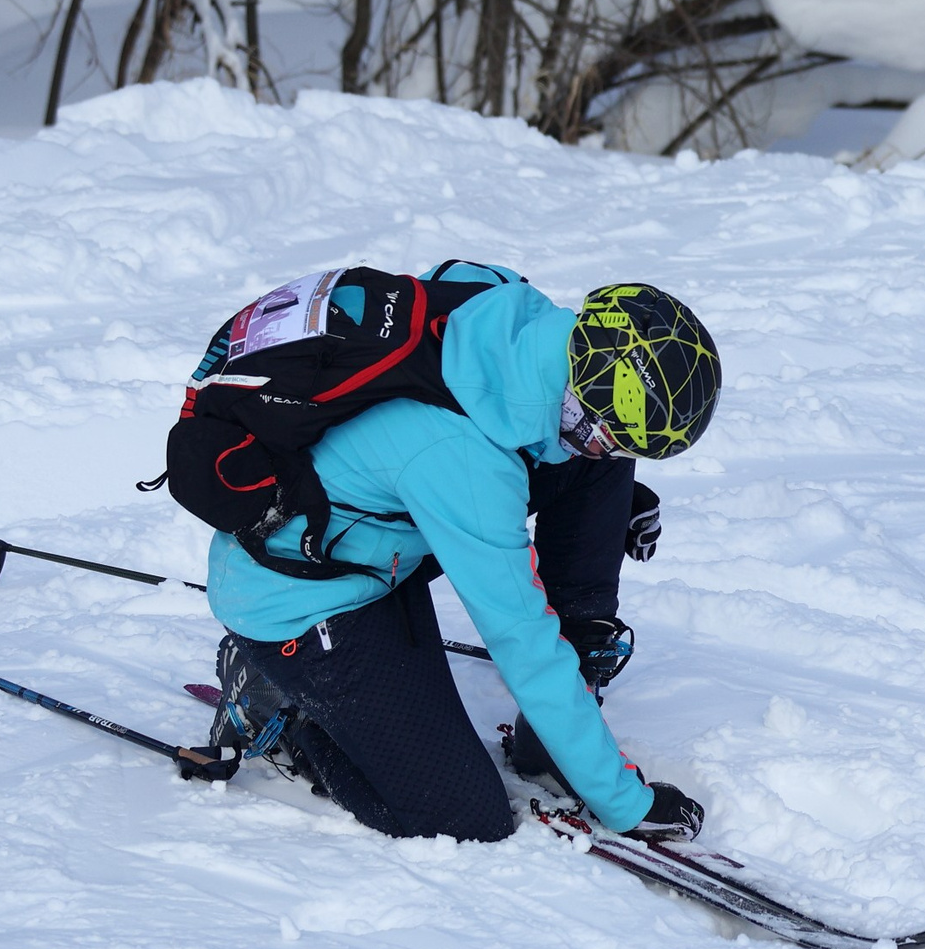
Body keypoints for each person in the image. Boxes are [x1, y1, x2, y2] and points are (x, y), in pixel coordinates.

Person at [202, 267, 720, 840]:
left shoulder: (512, 309)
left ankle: (556, 737)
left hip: (383, 529)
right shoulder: (465, 462)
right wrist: (625, 803)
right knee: (463, 817)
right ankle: (283, 703)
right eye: (616, 438)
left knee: (597, 472)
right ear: (584, 404)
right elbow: (523, 641)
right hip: (301, 593)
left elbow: (556, 446)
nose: (616, 451)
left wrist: (615, 489)